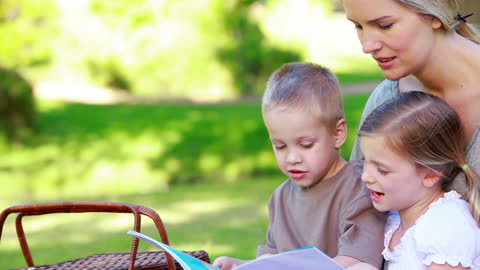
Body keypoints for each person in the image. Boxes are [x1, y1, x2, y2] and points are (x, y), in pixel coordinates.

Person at [212, 62, 386, 270]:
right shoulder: (280, 198)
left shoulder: (359, 188)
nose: (292, 157)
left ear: (337, 134)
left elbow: (357, 260)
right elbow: (274, 261)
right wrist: (240, 265)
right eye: (280, 146)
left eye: (306, 145)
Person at [343, 0, 480, 193]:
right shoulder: (386, 99)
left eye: (385, 26)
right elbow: (356, 203)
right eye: (359, 26)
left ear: (434, 17)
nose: (367, 46)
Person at [357, 91, 480, 269]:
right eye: (365, 162)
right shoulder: (394, 219)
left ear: (430, 175)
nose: (365, 177)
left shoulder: (446, 225)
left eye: (382, 170)